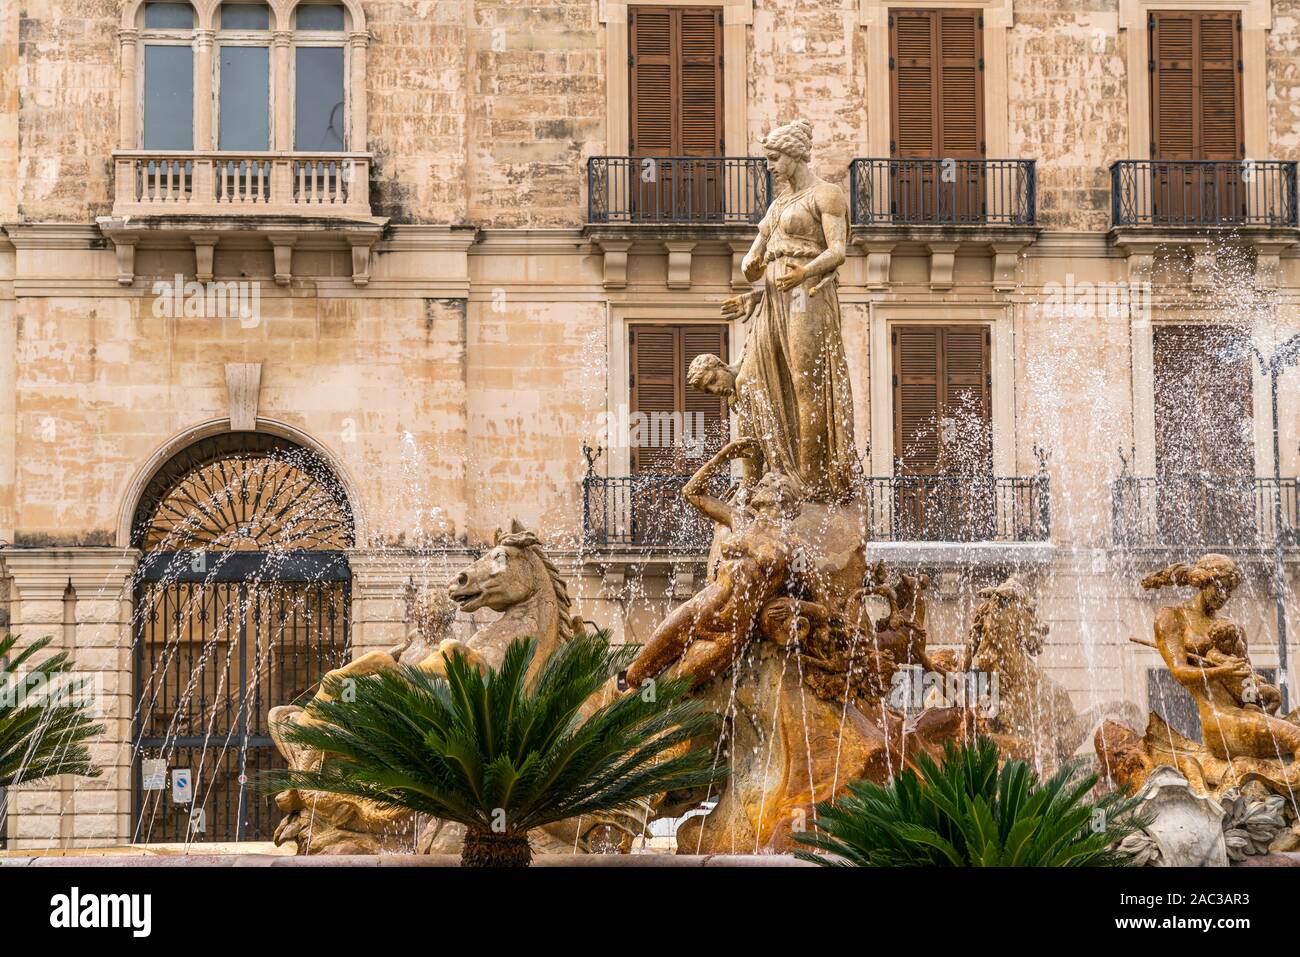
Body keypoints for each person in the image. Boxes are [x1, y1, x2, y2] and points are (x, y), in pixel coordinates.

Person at [723, 119, 859, 501]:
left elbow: (837, 251)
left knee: (804, 380)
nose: (769, 165)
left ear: (794, 154)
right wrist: (750, 277)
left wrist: (805, 271)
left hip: (804, 293)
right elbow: (755, 253)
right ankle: (766, 472)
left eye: (774, 157)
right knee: (752, 380)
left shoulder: (825, 195)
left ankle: (809, 479)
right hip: (774, 295)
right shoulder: (778, 203)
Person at [624, 437, 803, 690]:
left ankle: (647, 719)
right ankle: (627, 706)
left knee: (669, 691)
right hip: (699, 608)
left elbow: (796, 579)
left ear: (779, 496)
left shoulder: (792, 543)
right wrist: (722, 457)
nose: (755, 487)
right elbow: (692, 493)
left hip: (729, 633)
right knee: (637, 676)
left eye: (764, 484)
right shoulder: (739, 520)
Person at [1142, 554, 1300, 760]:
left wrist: (1259, 691)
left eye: (1230, 591)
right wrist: (1222, 671)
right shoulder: (1172, 617)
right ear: (1203, 582)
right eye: (1221, 588)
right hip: (1220, 720)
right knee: (1296, 737)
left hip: (1246, 713)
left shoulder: (1233, 629)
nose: (1225, 596)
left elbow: (1247, 685)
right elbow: (1180, 672)